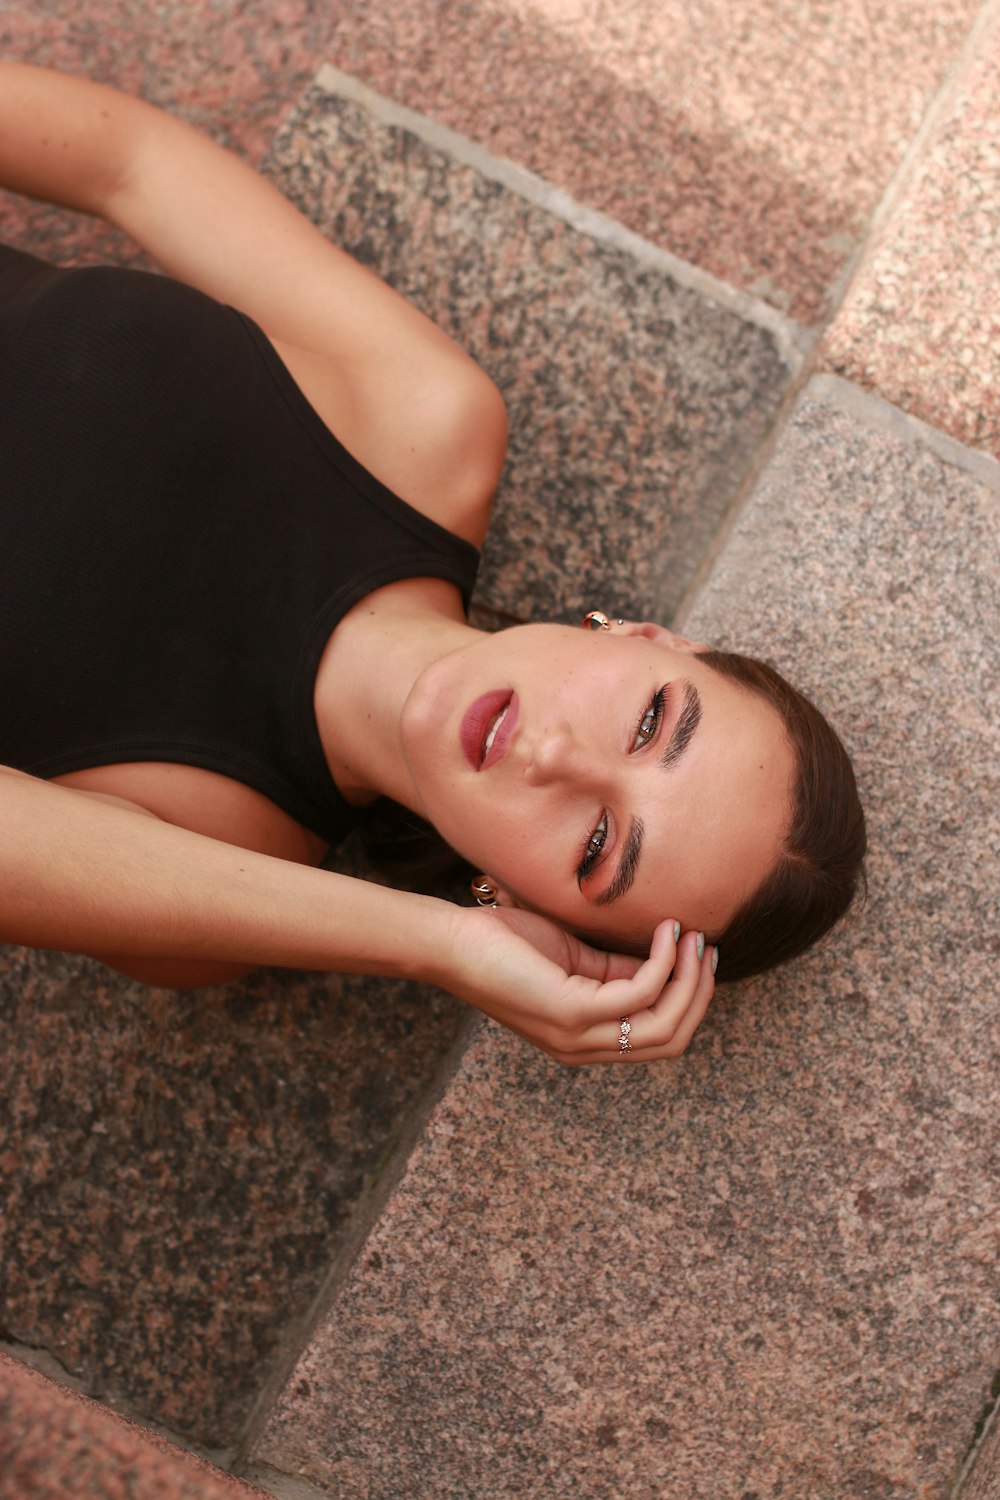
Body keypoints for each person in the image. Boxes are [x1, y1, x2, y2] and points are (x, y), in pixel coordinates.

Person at [0, 64, 866, 1065]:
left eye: (595, 849)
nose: (555, 759)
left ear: (516, 903)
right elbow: (131, 164)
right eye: (647, 722)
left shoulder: (214, 861)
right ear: (646, 638)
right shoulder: (425, 423)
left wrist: (442, 946)